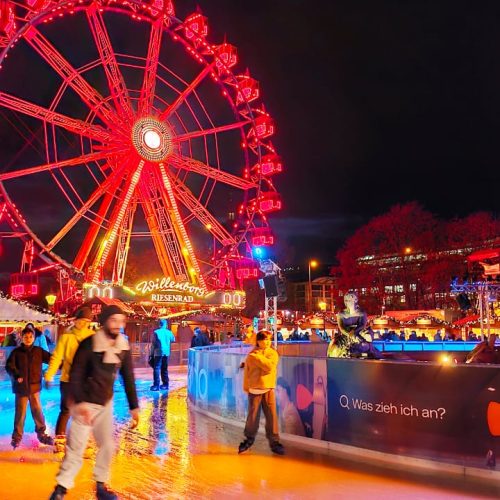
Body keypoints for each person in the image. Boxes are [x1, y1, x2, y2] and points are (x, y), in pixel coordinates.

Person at [49, 305, 139, 500]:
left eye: (121, 321)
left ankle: (100, 486)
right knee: (76, 448)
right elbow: (76, 374)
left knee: (107, 445)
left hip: (104, 403)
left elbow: (128, 376)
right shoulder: (89, 344)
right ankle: (61, 489)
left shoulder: (122, 346)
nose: (118, 326)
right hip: (85, 403)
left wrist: (134, 406)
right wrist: (80, 402)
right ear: (105, 321)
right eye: (114, 321)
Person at [45, 307, 95, 453]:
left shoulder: (93, 337)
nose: (84, 324)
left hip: (86, 382)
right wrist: (49, 375)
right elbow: (56, 357)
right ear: (76, 321)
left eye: (87, 321)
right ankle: (60, 442)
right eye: (82, 321)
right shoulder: (66, 337)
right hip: (68, 380)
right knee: (66, 411)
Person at [5, 327, 53, 448]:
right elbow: (9, 366)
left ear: (33, 338)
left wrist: (65, 364)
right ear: (22, 337)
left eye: (30, 337)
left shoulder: (38, 351)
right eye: (26, 337)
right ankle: (17, 438)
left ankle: (41, 434)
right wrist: (16, 375)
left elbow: (51, 359)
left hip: (34, 388)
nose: (28, 339)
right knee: (20, 414)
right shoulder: (16, 352)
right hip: (21, 389)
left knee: (38, 412)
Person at [238, 330, 284, 455]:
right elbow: (248, 372)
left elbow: (269, 367)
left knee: (271, 416)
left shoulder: (272, 354)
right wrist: (246, 387)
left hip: (268, 388)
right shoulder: (251, 355)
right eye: (265, 339)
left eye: (269, 339)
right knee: (252, 417)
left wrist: (256, 357)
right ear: (259, 341)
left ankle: (274, 442)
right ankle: (249, 439)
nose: (268, 342)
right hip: (254, 389)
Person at [150, 319, 176, 391]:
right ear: (166, 325)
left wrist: (151, 354)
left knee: (157, 368)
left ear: (159, 325)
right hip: (166, 352)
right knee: (164, 368)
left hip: (158, 352)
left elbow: (153, 344)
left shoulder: (156, 332)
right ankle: (165, 384)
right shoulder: (169, 332)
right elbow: (173, 339)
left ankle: (156, 385)